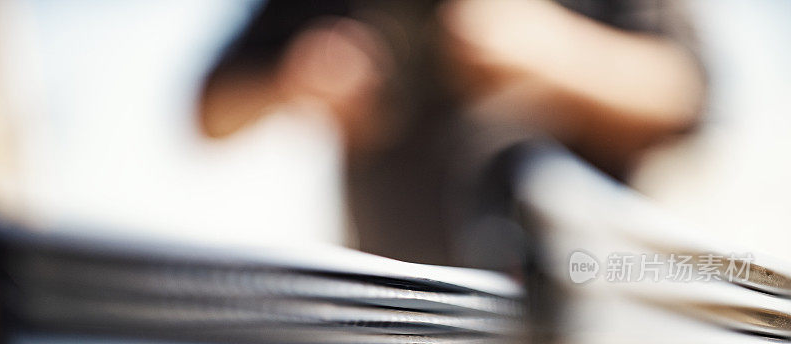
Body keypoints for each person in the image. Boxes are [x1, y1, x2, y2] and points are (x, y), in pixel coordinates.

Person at [200, 0, 706, 266]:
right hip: (408, 337)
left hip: (589, 319)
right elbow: (209, 114)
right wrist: (294, 78)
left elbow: (685, 100)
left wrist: (558, 55)